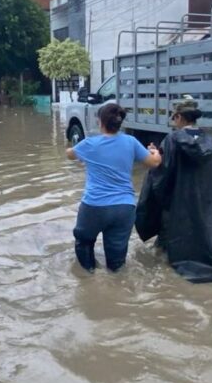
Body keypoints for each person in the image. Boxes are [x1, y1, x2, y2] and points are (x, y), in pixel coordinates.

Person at [137, 100, 212, 283]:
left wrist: (154, 155)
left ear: (179, 117)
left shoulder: (172, 139)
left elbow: (163, 173)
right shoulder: (208, 139)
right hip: (203, 200)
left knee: (166, 244)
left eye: (174, 117)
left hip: (179, 202)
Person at [66, 104, 161, 272]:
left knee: (84, 242)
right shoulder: (131, 142)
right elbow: (154, 163)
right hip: (124, 208)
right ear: (119, 123)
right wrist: (155, 152)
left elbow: (70, 154)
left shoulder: (89, 144)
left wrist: (77, 150)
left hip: (94, 206)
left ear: (100, 121)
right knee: (117, 262)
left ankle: (88, 278)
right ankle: (117, 284)